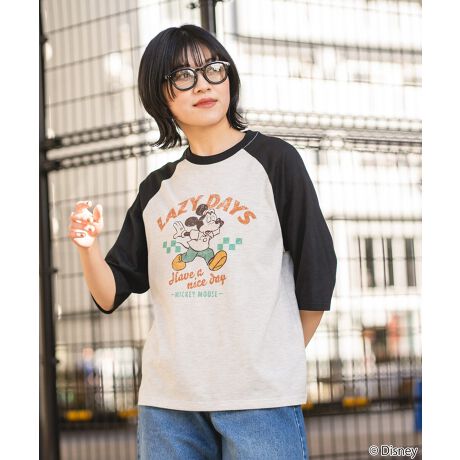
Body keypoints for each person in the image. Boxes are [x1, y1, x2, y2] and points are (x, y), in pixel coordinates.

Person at [68, 24, 337, 460]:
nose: (203, 85)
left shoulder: (275, 161)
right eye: (182, 76)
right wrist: (87, 248)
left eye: (213, 69)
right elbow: (109, 292)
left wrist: (276, 356)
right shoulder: (157, 189)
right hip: (168, 405)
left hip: (259, 399)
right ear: (161, 97)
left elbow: (318, 271)